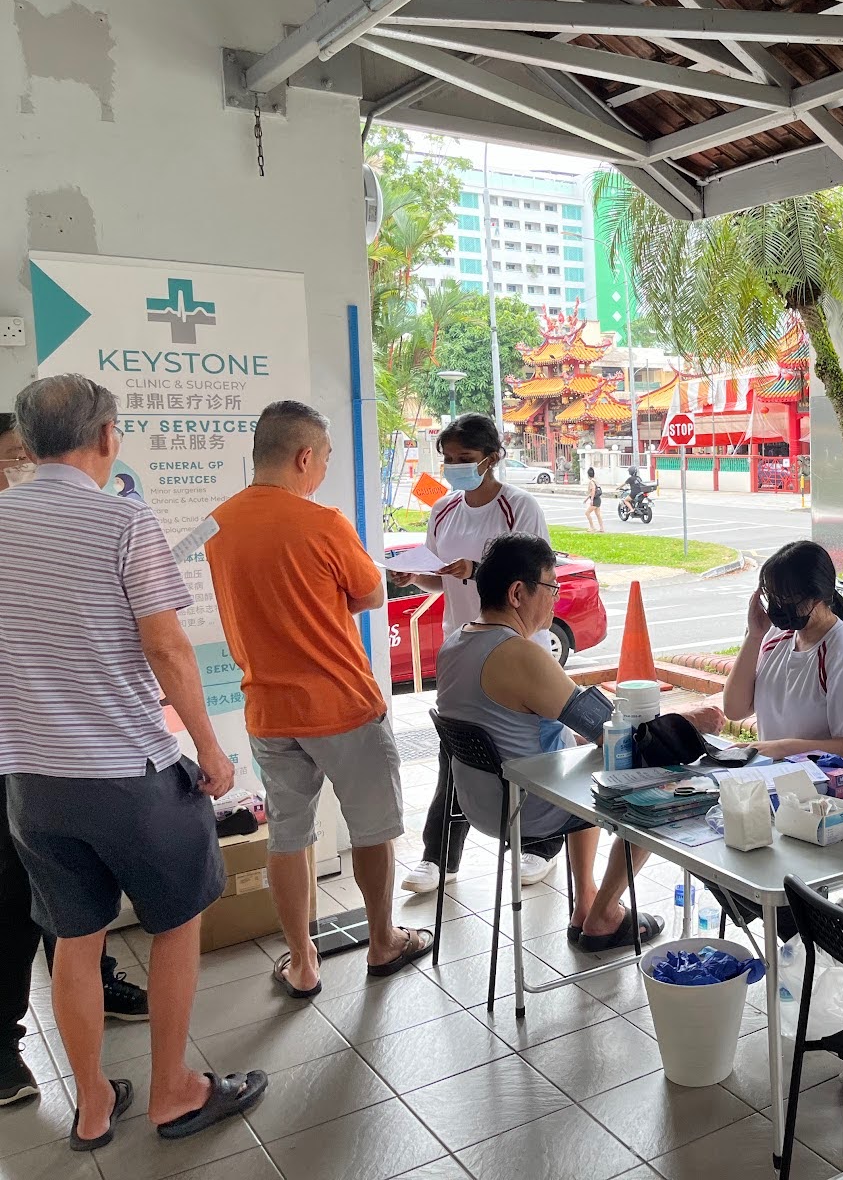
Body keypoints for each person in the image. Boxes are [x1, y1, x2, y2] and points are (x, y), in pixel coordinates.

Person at [0, 376, 267, 1148]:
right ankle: (173, 1092)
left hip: (32, 785)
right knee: (176, 921)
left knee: (75, 939)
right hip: (127, 772)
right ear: (107, 437)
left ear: (29, 442)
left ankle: (91, 1104)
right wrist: (210, 748)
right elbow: (167, 646)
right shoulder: (123, 520)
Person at [205, 400, 432, 1001]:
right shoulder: (323, 522)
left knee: (287, 835)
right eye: (325, 459)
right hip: (343, 704)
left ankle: (303, 963)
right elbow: (371, 593)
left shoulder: (218, 525)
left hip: (268, 710)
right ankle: (383, 941)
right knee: (373, 829)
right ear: (304, 457)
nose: (325, 470)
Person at [0, 413, 150, 1108]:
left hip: (68, 747)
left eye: (25, 458)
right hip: (12, 750)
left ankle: (97, 986)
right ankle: (2, 1044)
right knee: (11, 895)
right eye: (10, 460)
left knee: (79, 889)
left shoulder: (77, 528)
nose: (21, 472)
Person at [435, 533, 666, 949]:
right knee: (652, 785)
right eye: (551, 587)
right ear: (517, 593)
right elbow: (607, 729)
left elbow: (523, 725)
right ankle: (604, 914)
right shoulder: (518, 654)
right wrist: (687, 723)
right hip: (529, 807)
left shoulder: (455, 643)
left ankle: (586, 901)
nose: (556, 599)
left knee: (580, 753)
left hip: (478, 802)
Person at [390, 414, 555, 896]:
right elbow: (441, 578)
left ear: (492, 458)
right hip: (464, 643)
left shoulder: (518, 508)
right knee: (459, 753)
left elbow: (534, 578)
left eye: (465, 459)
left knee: (530, 752)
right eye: (448, 459)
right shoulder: (443, 510)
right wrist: (415, 576)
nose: (454, 467)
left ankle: (542, 845)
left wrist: (477, 569)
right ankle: (439, 857)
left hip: (516, 647)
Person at [722, 539, 843, 765]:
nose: (778, 606)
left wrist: (783, 748)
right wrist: (753, 637)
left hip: (829, 783)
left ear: (817, 596)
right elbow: (735, 709)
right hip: (783, 776)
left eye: (787, 598)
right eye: (772, 596)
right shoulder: (776, 637)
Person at [584, 466, 603, 532]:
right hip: (598, 499)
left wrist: (591, 500)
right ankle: (601, 528)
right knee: (598, 514)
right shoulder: (595, 481)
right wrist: (587, 499)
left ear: (588, 475)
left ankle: (592, 527)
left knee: (587, 513)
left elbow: (593, 490)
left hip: (595, 500)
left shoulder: (591, 482)